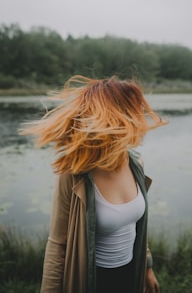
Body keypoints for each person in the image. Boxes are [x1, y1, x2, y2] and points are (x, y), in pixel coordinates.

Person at [20, 75, 166, 293]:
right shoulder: (74, 173)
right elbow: (57, 245)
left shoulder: (136, 163)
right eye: (132, 111)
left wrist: (147, 268)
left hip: (131, 275)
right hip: (92, 280)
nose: (138, 118)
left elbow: (136, 227)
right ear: (114, 117)